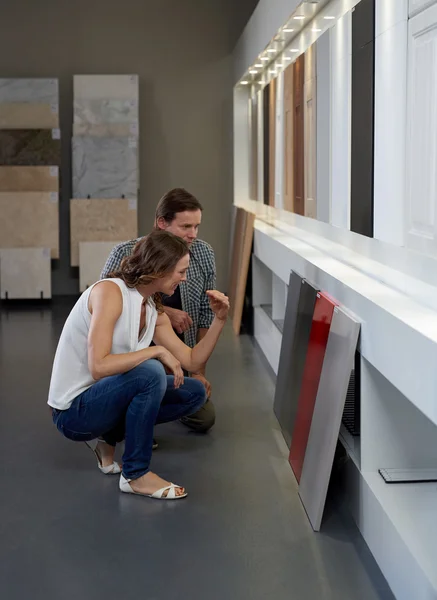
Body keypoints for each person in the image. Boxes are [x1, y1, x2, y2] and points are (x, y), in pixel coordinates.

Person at [48, 230, 229, 500]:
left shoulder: (153, 306)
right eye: (181, 271)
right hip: (74, 412)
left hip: (103, 397)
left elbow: (192, 359)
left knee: (194, 392)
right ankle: (135, 474)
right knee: (151, 372)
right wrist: (155, 352)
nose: (185, 278)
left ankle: (108, 440)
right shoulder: (110, 292)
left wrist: (220, 320)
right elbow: (98, 366)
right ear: (160, 268)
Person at [101, 188, 217, 434]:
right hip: (133, 356)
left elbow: (207, 313)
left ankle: (145, 412)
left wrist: (197, 372)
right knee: (148, 378)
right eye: (186, 226)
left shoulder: (203, 253)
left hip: (177, 349)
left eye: (197, 227)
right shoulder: (124, 252)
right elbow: (104, 310)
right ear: (161, 223)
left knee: (203, 416)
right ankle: (130, 417)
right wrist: (163, 311)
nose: (192, 234)